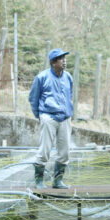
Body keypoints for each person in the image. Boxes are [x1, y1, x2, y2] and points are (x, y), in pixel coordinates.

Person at [29, 48, 73, 189]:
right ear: (53, 62)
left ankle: (58, 181)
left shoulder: (68, 77)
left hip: (65, 118)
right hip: (48, 116)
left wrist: (69, 112)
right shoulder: (42, 77)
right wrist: (41, 116)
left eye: (65, 59)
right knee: (44, 150)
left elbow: (69, 96)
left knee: (65, 151)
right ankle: (39, 181)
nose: (64, 61)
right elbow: (33, 98)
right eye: (61, 59)